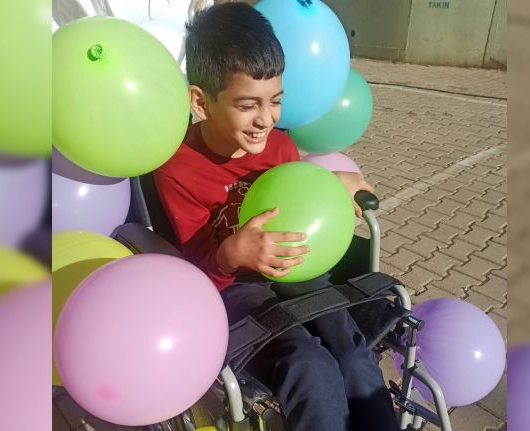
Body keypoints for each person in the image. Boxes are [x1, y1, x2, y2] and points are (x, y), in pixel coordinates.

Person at [154, 4, 398, 431]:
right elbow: (194, 273)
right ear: (201, 102)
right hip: (233, 289)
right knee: (309, 364)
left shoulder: (280, 147)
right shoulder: (178, 168)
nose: (265, 119)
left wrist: (329, 185)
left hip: (298, 269)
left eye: (276, 101)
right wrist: (231, 253)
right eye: (248, 105)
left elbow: (300, 197)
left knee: (352, 352)